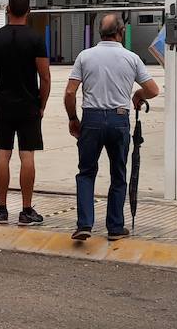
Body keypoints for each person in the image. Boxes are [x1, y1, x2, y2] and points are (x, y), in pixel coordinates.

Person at [63, 13, 160, 241]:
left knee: (86, 172)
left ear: (100, 31)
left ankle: (85, 224)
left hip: (92, 120)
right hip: (119, 119)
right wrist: (138, 94)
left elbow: (70, 92)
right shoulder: (131, 58)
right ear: (121, 32)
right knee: (118, 174)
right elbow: (153, 90)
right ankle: (115, 228)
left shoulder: (85, 57)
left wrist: (72, 118)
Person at [0, 0, 51, 226]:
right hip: (29, 105)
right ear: (29, 11)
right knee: (27, 155)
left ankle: (1, 209)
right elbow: (45, 77)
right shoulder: (36, 39)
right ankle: (26, 209)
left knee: (3, 154)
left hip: (4, 105)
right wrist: (41, 105)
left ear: (7, 9)